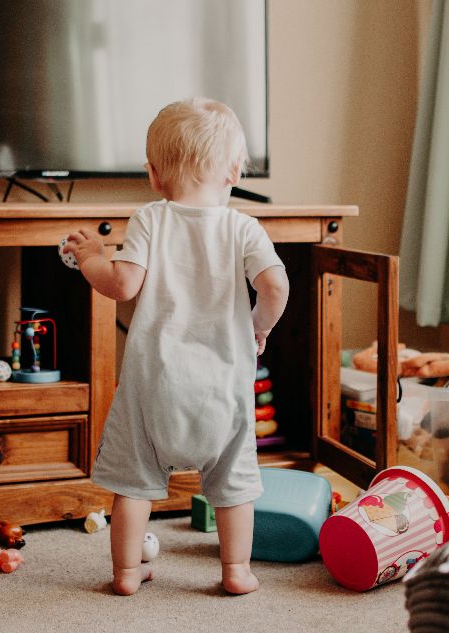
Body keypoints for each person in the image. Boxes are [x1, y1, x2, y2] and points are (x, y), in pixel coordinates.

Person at [63, 97, 289, 596]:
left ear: (154, 175)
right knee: (232, 488)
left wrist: (91, 256)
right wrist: (259, 327)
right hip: (224, 387)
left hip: (153, 386)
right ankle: (235, 571)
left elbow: (121, 286)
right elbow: (275, 287)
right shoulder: (244, 227)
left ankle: (126, 573)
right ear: (234, 170)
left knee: (134, 484)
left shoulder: (151, 218)